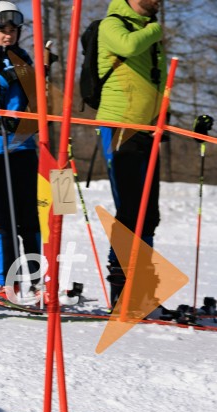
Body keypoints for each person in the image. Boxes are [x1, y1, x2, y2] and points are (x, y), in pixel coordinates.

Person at [96, 0, 166, 306]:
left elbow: (157, 79)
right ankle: (121, 287)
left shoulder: (149, 32)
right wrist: (155, 30)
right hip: (119, 126)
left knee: (149, 213)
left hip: (148, 130)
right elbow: (128, 46)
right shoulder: (113, 24)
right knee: (129, 209)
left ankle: (144, 287)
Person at [0, 2, 41, 302]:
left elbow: (37, 101)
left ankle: (37, 280)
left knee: (28, 216)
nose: (8, 36)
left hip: (22, 145)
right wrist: (5, 77)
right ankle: (7, 284)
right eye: (3, 30)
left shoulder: (25, 58)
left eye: (13, 31)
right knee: (3, 217)